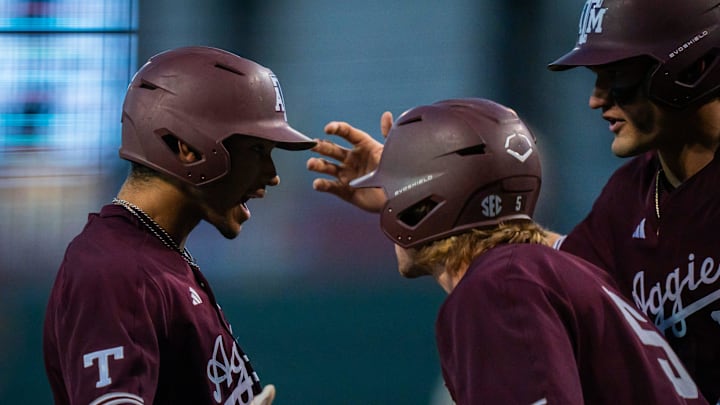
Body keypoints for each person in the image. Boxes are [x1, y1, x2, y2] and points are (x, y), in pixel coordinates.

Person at [306, 97, 708, 404]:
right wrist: (409, 182)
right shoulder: (554, 274)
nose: (387, 208)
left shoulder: (498, 288)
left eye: (396, 191)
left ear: (425, 202)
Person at [42, 46, 316, 405]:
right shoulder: (114, 271)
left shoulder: (152, 258)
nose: (272, 175)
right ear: (186, 147)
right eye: (257, 151)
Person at [546, 1, 720, 402]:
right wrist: (413, 189)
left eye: (616, 78)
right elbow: (547, 271)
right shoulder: (627, 197)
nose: (596, 99)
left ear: (690, 68)